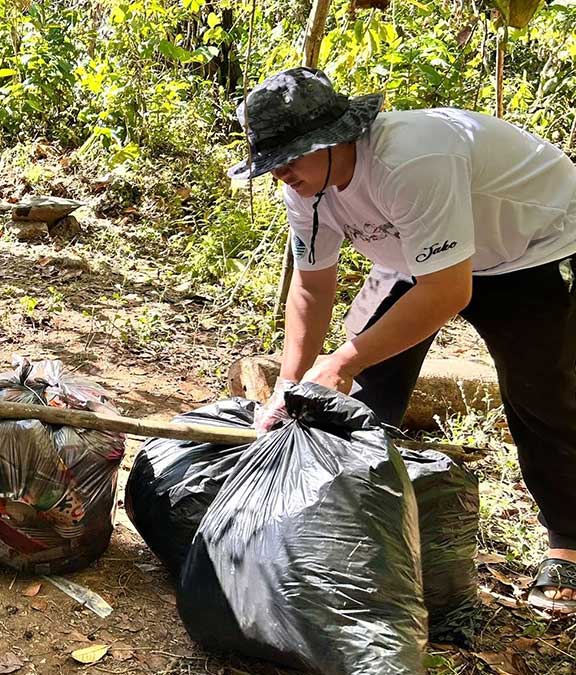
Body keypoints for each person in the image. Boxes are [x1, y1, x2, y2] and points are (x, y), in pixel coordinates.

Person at [231, 67, 576, 614]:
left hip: (529, 244)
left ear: (334, 140)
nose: (280, 176)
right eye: (271, 164)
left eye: (289, 159)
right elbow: (312, 286)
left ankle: (569, 545)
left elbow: (447, 292)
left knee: (542, 398)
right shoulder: (307, 185)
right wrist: (292, 385)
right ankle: (351, 530)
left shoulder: (410, 158)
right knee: (358, 399)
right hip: (418, 259)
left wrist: (343, 358)